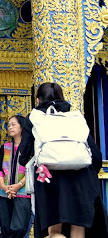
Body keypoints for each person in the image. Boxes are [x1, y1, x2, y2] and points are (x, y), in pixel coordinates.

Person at [18, 82, 108, 238]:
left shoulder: (34, 118)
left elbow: (23, 155)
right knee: (78, 229)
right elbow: (96, 155)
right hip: (81, 179)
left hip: (49, 180)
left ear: (38, 100)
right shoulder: (75, 117)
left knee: (54, 232)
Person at [0, 115, 31, 238]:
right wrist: (3, 186)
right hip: (4, 193)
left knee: (19, 228)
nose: (10, 127)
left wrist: (18, 185)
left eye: (13, 124)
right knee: (5, 228)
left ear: (22, 126)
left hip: (23, 192)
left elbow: (31, 169)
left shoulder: (29, 147)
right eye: (9, 125)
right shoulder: (5, 147)